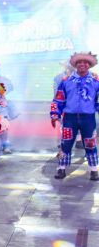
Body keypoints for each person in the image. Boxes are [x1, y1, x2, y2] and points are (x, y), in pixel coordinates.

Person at [51, 52, 99, 181]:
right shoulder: (66, 81)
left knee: (90, 143)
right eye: (79, 62)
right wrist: (55, 114)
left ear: (89, 65)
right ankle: (61, 168)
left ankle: (94, 170)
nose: (82, 64)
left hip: (88, 118)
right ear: (75, 65)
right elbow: (58, 99)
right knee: (65, 143)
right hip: (70, 118)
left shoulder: (96, 80)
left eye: (85, 62)